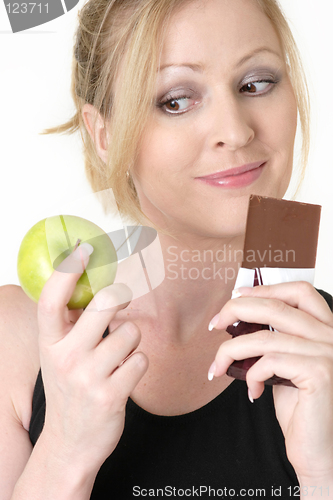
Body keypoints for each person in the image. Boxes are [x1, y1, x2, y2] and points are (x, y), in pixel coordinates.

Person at [1, 0, 333, 498]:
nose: (235, 132)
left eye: (256, 83)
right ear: (104, 134)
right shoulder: (15, 343)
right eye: (176, 99)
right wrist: (65, 451)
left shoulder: (325, 353)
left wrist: (322, 473)